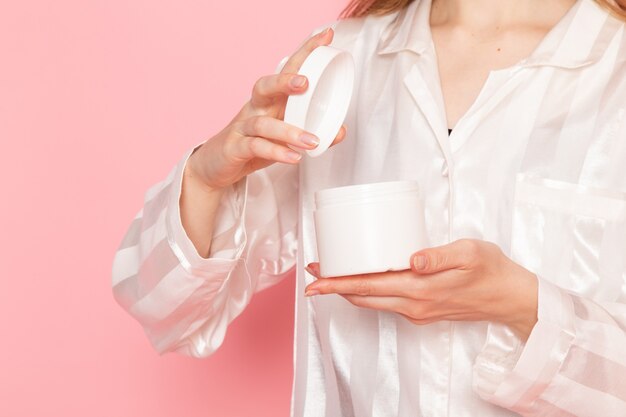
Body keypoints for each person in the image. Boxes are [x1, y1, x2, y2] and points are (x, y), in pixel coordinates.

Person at [111, 0, 626, 415]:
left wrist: (522, 304)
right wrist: (206, 176)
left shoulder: (615, 70)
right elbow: (167, 309)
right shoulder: (341, 63)